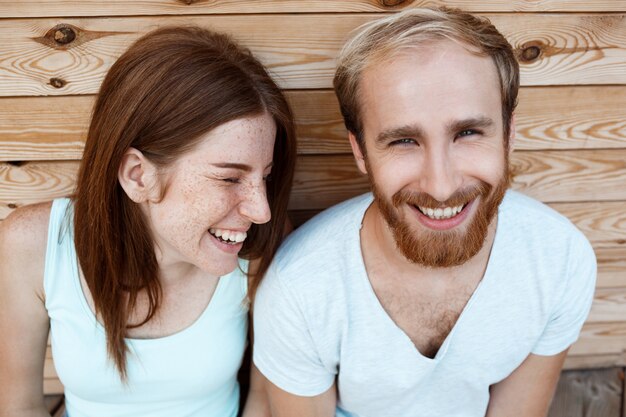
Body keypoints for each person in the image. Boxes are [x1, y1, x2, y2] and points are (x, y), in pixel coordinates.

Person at [253, 7, 596, 417]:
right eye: (403, 141)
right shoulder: (300, 288)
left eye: (468, 133)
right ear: (360, 151)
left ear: (509, 135)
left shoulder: (560, 261)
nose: (441, 185)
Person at [0, 26, 296, 417]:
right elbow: (18, 407)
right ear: (138, 175)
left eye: (266, 176)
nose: (261, 211)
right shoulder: (32, 246)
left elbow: (262, 403)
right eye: (229, 178)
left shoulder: (261, 249)